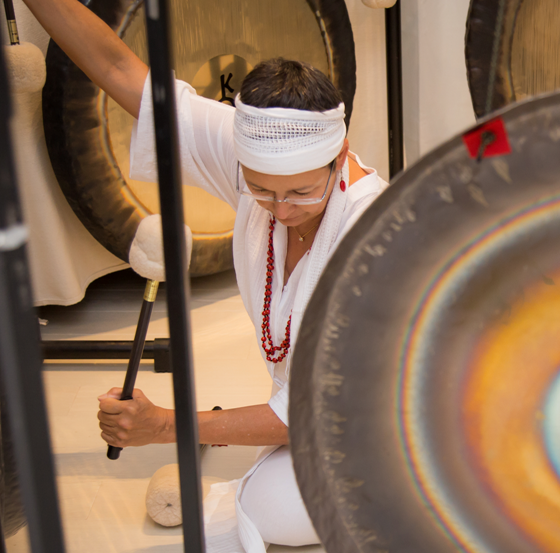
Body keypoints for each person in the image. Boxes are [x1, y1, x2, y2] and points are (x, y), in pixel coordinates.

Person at [22, 0, 389, 550]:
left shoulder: (373, 241)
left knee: (278, 516)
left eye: (301, 193)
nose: (280, 209)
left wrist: (166, 426)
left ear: (338, 160)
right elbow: (119, 70)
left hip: (385, 405)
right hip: (302, 397)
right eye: (261, 189)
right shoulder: (256, 143)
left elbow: (320, 408)